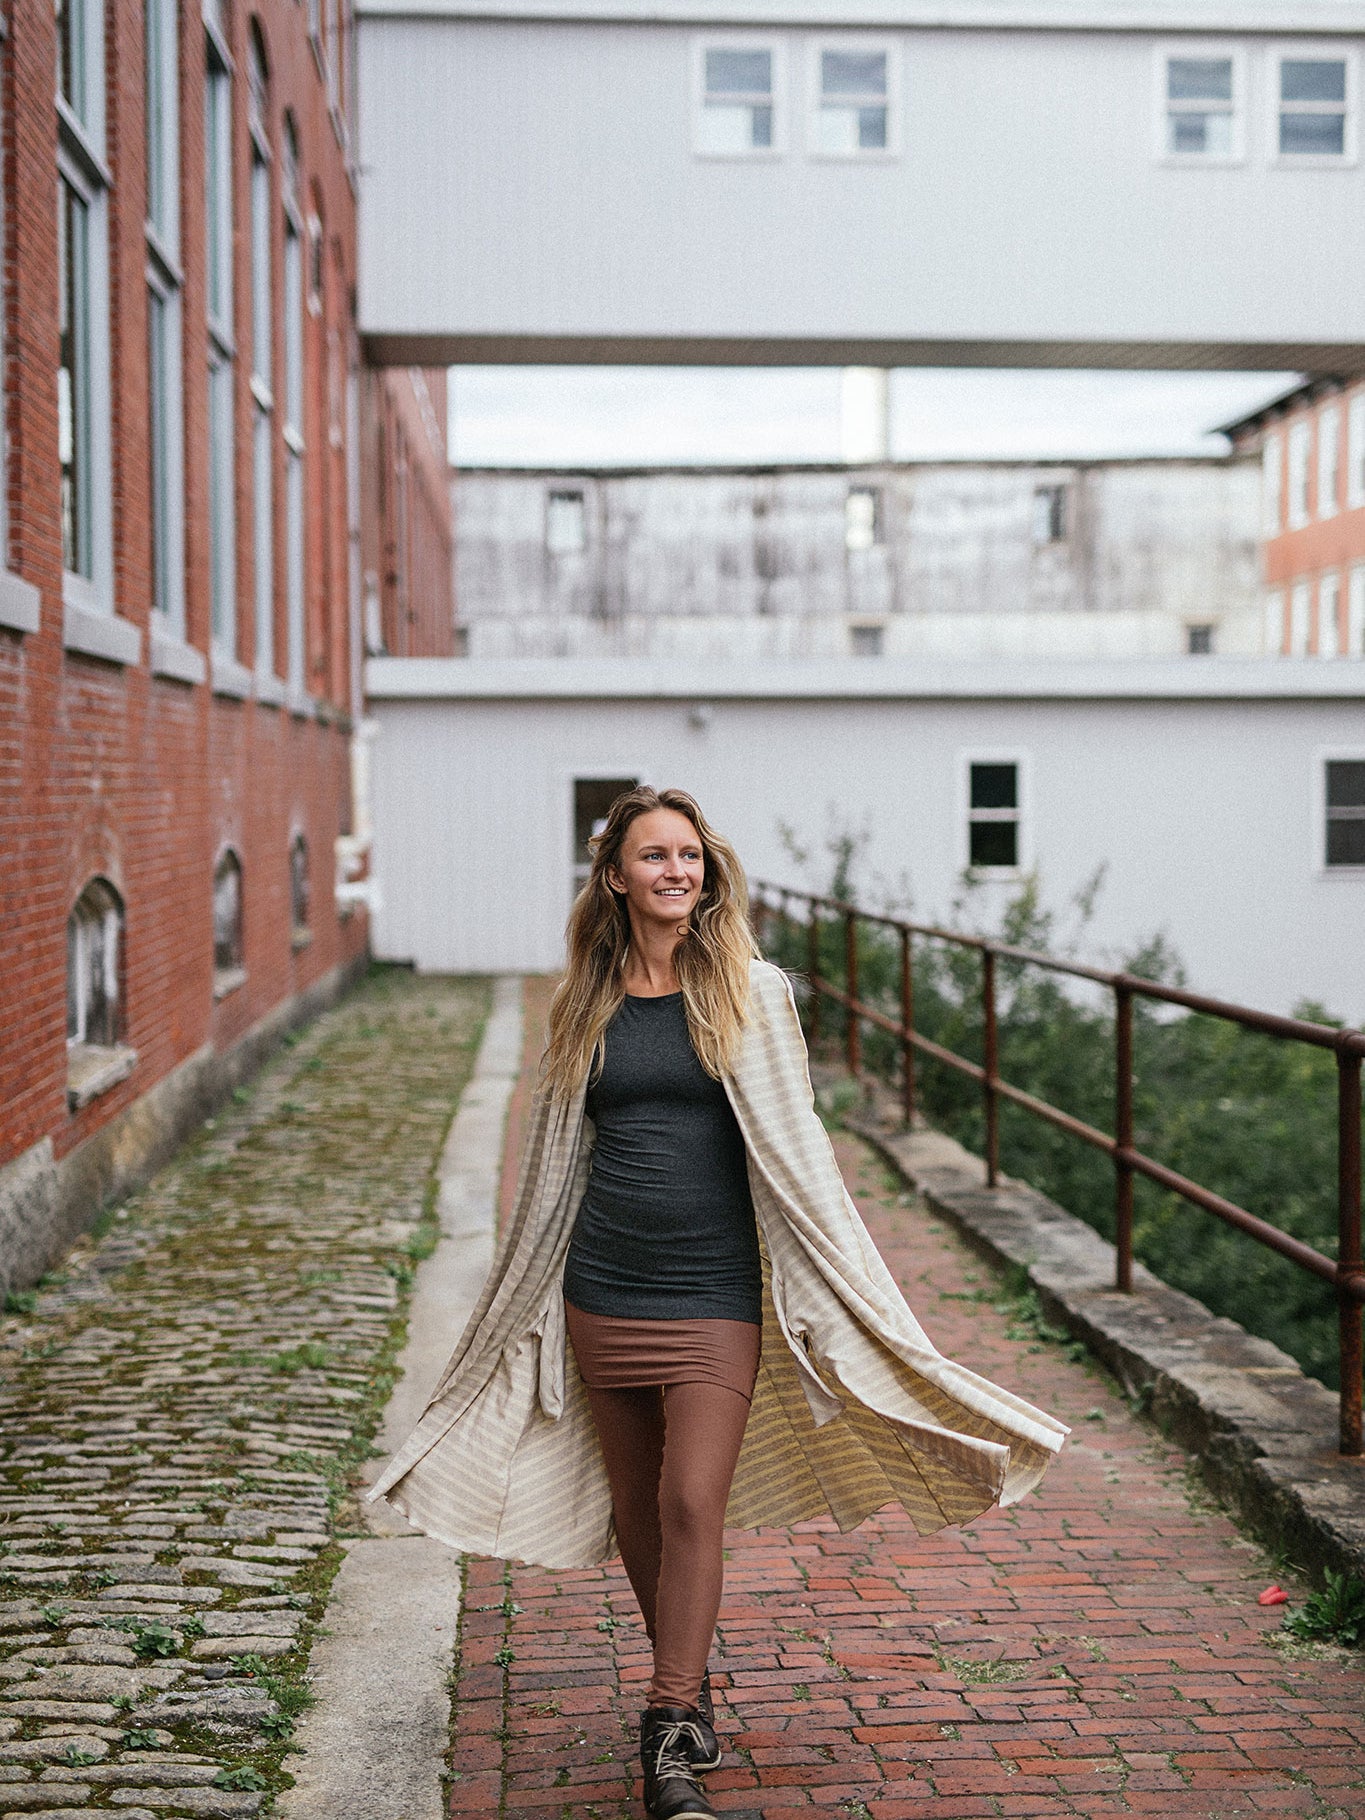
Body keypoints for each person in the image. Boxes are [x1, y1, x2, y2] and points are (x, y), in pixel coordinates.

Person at [369, 785, 1068, 1820]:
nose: (676, 871)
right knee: (640, 1513)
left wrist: (847, 1295)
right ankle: (687, 1696)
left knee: (693, 1498)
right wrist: (522, 1303)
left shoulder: (754, 993)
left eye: (689, 855)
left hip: (714, 1295)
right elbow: (559, 1167)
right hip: (604, 1290)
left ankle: (666, 1729)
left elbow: (802, 1159)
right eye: (654, 856)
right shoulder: (582, 1003)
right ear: (615, 877)